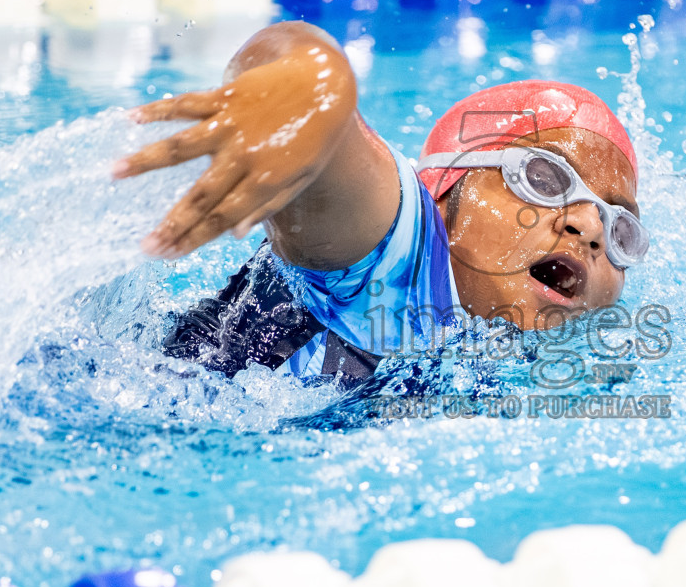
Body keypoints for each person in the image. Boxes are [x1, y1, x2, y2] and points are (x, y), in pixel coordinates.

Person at [113, 21, 648, 386]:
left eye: (620, 225)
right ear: (442, 193)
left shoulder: (521, 357)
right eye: (544, 178)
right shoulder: (403, 248)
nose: (589, 226)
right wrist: (303, 91)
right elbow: (334, 127)